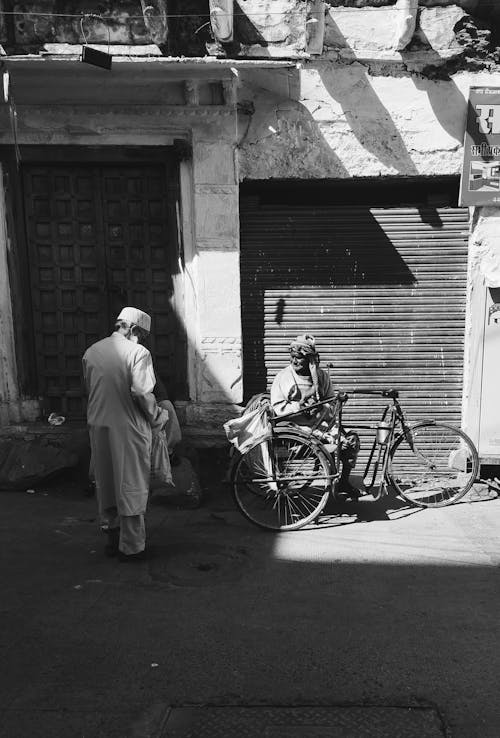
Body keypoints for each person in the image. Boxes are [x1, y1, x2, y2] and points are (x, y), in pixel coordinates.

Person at [82, 307, 169, 562]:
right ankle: (131, 547)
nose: (143, 339)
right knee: (130, 485)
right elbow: (142, 393)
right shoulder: (138, 353)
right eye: (142, 333)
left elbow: (91, 390)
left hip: (98, 426)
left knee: (107, 484)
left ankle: (111, 538)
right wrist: (157, 417)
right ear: (133, 329)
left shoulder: (91, 352)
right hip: (128, 429)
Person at [270, 334, 361, 501]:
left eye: (299, 358)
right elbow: (277, 407)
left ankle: (344, 482)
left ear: (310, 360)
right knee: (325, 440)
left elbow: (330, 402)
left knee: (351, 440)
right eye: (292, 358)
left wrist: (327, 405)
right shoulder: (284, 377)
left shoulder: (322, 377)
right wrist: (299, 408)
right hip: (296, 428)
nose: (294, 362)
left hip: (321, 424)